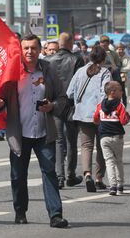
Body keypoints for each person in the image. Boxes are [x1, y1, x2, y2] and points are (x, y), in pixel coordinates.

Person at [0, 33, 68, 228]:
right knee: (18, 174)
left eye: (33, 48)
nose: (29, 52)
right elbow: (1, 102)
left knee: (49, 172)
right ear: (20, 50)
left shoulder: (48, 69)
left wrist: (52, 106)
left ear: (39, 49)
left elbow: (63, 98)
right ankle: (20, 211)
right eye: (26, 48)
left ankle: (55, 215)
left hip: (44, 132)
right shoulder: (12, 71)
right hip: (20, 132)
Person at [67, 45, 110, 193]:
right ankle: (99, 179)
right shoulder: (105, 72)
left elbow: (69, 93)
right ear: (103, 59)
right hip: (100, 114)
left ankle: (87, 175)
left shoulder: (80, 71)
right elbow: (105, 94)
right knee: (101, 146)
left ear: (90, 57)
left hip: (82, 115)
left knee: (86, 146)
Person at [45, 32, 85, 189]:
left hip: (54, 104)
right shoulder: (77, 59)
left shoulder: (47, 60)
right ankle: (70, 175)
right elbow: (80, 84)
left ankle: (59, 177)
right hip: (71, 105)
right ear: (70, 44)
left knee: (58, 141)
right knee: (71, 141)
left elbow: (44, 83)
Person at [93, 81, 130, 196]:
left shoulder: (100, 105)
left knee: (109, 162)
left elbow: (95, 119)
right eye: (120, 90)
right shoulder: (120, 105)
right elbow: (124, 121)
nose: (122, 92)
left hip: (103, 137)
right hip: (117, 137)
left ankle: (112, 186)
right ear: (113, 92)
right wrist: (128, 116)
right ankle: (120, 184)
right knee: (118, 160)